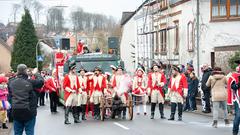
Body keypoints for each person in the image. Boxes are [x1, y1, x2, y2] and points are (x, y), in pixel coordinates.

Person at [9, 64, 44, 135]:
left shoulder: (11, 82)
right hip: (29, 111)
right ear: (26, 71)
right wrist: (36, 73)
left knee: (17, 133)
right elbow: (41, 82)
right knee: (29, 132)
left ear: (17, 71)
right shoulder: (30, 82)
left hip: (16, 111)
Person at [228, 64, 240, 135]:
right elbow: (231, 86)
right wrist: (238, 84)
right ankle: (235, 132)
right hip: (238, 98)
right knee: (238, 116)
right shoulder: (234, 76)